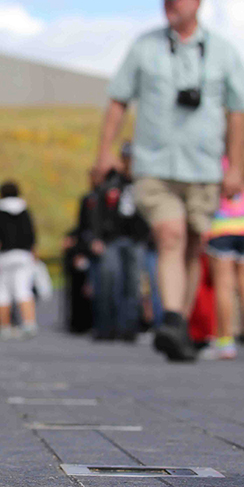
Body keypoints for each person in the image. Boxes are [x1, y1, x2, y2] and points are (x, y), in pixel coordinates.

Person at [91, 0, 244, 361]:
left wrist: (235, 167)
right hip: (155, 165)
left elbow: (237, 113)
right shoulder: (144, 47)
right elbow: (118, 100)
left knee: (193, 243)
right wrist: (105, 150)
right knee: (170, 235)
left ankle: (178, 324)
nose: (169, 4)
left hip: (203, 167)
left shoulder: (223, 52)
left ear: (197, 1)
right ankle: (173, 320)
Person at [201, 155, 244, 360]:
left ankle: (225, 341)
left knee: (224, 286)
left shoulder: (217, 163)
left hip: (221, 227)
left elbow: (207, 198)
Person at [89, 141, 149, 341]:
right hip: (112, 240)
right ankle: (106, 327)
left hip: (136, 239)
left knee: (132, 285)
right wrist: (96, 237)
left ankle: (129, 328)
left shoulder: (145, 184)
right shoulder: (111, 183)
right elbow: (97, 213)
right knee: (109, 283)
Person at [0, 181, 37, 339]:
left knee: (1, 290)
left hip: (5, 255)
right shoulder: (25, 210)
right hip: (23, 255)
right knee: (23, 289)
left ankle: (4, 326)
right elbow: (32, 235)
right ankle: (29, 323)